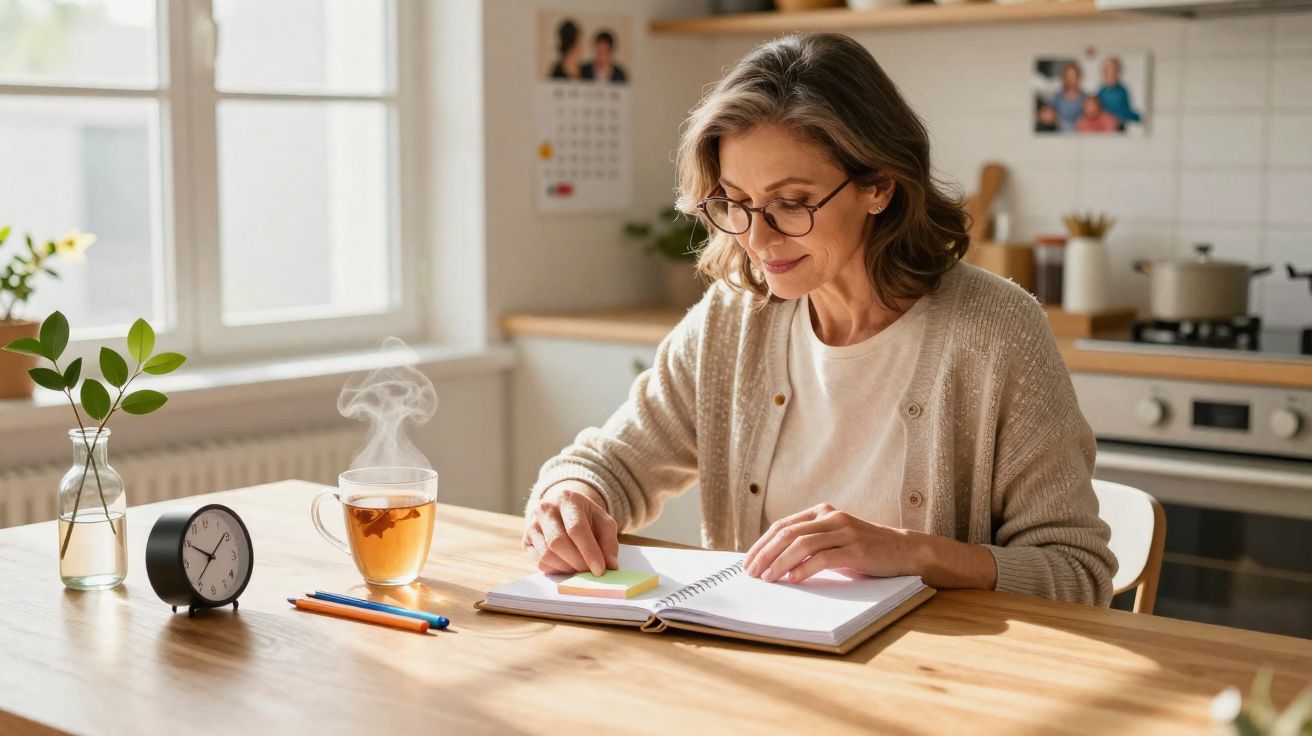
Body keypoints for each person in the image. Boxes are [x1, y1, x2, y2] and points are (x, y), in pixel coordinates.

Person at [522, 33, 1116, 606]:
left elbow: (1075, 572)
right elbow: (609, 464)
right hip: (761, 676)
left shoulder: (996, 331)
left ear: (878, 186)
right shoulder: (736, 317)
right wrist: (569, 497)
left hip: (936, 688)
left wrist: (912, 553)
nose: (756, 238)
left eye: (791, 202)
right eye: (735, 201)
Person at [1096, 56, 1141, 128]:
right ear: (1104, 72)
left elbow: (1127, 111)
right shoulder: (1100, 92)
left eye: (1114, 71)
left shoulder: (1123, 91)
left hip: (1120, 126)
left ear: (1118, 72)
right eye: (1108, 71)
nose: (1111, 74)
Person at [1051, 62, 1085, 133]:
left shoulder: (1085, 98)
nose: (1070, 79)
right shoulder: (1057, 97)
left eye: (1073, 75)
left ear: (1078, 77)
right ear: (1064, 78)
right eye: (1067, 76)